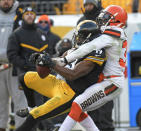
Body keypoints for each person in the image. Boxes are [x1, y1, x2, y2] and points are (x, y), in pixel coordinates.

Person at [15, 20, 106, 131]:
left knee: (34, 117)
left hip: (70, 93)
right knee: (24, 78)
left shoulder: (96, 53)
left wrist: (51, 63)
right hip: (60, 83)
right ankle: (31, 107)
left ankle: (33, 112)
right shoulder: (77, 49)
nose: (78, 39)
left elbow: (73, 74)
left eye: (80, 36)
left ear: (89, 37)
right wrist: (41, 59)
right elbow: (60, 61)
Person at [48, 5, 127, 131]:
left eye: (106, 17)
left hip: (112, 82)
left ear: (116, 21)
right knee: (78, 107)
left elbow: (89, 47)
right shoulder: (113, 34)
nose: (102, 19)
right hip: (106, 80)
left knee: (78, 104)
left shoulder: (114, 34)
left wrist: (64, 60)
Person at [7, 6, 50, 131]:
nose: (30, 15)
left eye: (32, 13)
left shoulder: (42, 34)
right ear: (23, 16)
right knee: (25, 107)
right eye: (27, 14)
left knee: (41, 108)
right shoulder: (16, 35)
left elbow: (48, 53)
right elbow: (12, 56)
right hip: (24, 77)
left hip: (42, 77)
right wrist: (27, 65)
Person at [78, 0, 114, 130]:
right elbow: (78, 43)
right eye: (86, 4)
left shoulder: (106, 18)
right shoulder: (81, 21)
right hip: (89, 68)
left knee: (105, 105)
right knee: (92, 104)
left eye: (91, 4)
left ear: (97, 4)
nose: (88, 7)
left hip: (106, 66)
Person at [0, 0, 28, 131]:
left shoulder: (21, 14)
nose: (5, 1)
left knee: (20, 102)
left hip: (15, 66)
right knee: (0, 104)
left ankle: (21, 128)